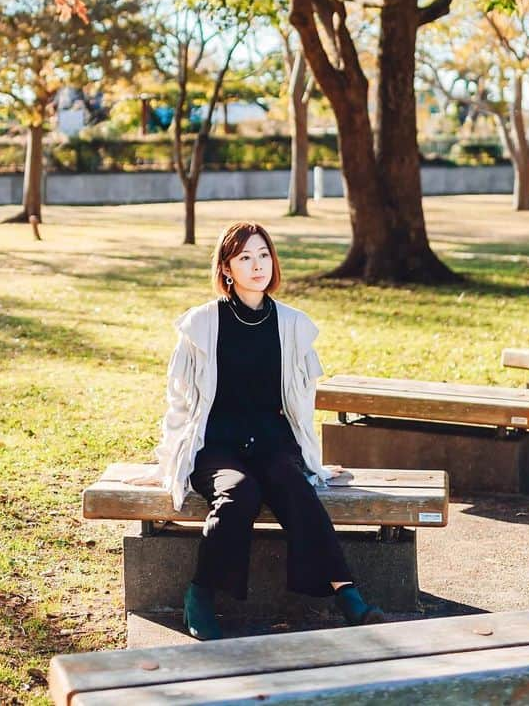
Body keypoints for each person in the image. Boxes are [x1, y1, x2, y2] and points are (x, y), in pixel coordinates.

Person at [147, 219, 386, 641]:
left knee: (294, 486)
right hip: (216, 446)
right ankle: (200, 593)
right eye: (244, 257)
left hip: (273, 442)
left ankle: (346, 593)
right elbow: (180, 401)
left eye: (263, 255)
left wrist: (309, 456)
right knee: (239, 492)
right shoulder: (202, 325)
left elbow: (299, 403)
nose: (257, 265)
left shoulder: (292, 324)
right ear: (226, 268)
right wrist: (171, 457)